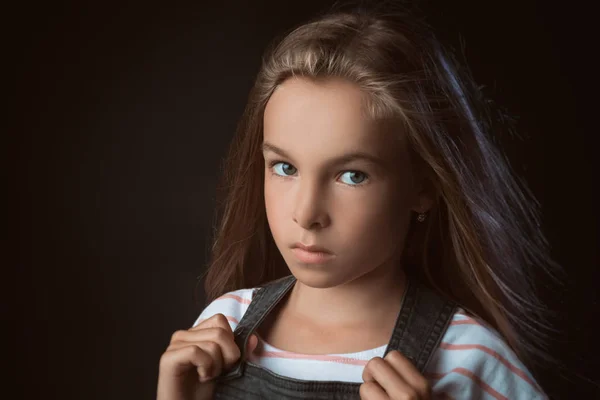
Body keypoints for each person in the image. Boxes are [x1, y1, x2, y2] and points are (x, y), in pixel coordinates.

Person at [157, 3, 561, 399]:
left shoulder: (468, 359)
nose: (307, 213)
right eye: (284, 167)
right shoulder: (224, 323)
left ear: (423, 188)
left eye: (352, 176)